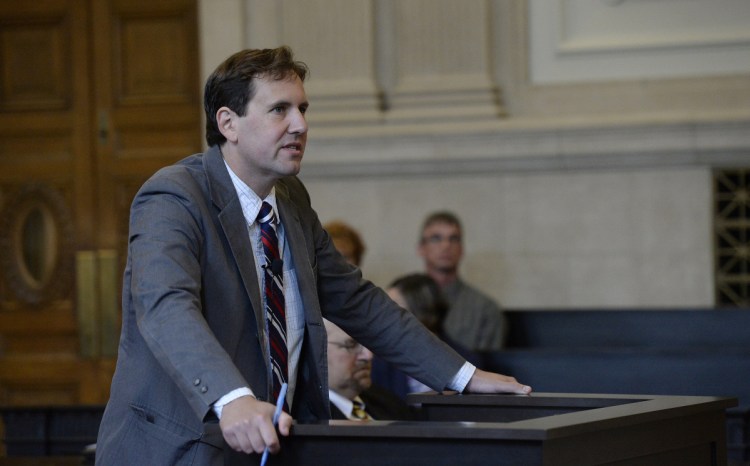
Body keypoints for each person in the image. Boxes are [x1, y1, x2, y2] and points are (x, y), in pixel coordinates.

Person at [95, 46, 530, 466]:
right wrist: (233, 398)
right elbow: (166, 307)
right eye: (279, 110)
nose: (300, 125)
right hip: (179, 448)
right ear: (228, 123)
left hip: (276, 445)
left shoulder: (291, 199)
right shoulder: (173, 196)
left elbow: (357, 301)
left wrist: (464, 377)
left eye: (303, 109)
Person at [372, 273, 485, 400]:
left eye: (394, 309)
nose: (385, 317)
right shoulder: (378, 361)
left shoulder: (467, 364)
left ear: (422, 313)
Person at [419, 211, 506, 352]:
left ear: (462, 249)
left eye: (454, 239)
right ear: (421, 248)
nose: (446, 245)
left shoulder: (485, 309)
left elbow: (488, 368)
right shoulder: (403, 302)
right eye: (436, 238)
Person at [325, 319, 415, 421]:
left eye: (367, 342)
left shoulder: (389, 403)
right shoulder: (308, 419)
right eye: (351, 344)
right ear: (316, 349)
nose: (368, 355)